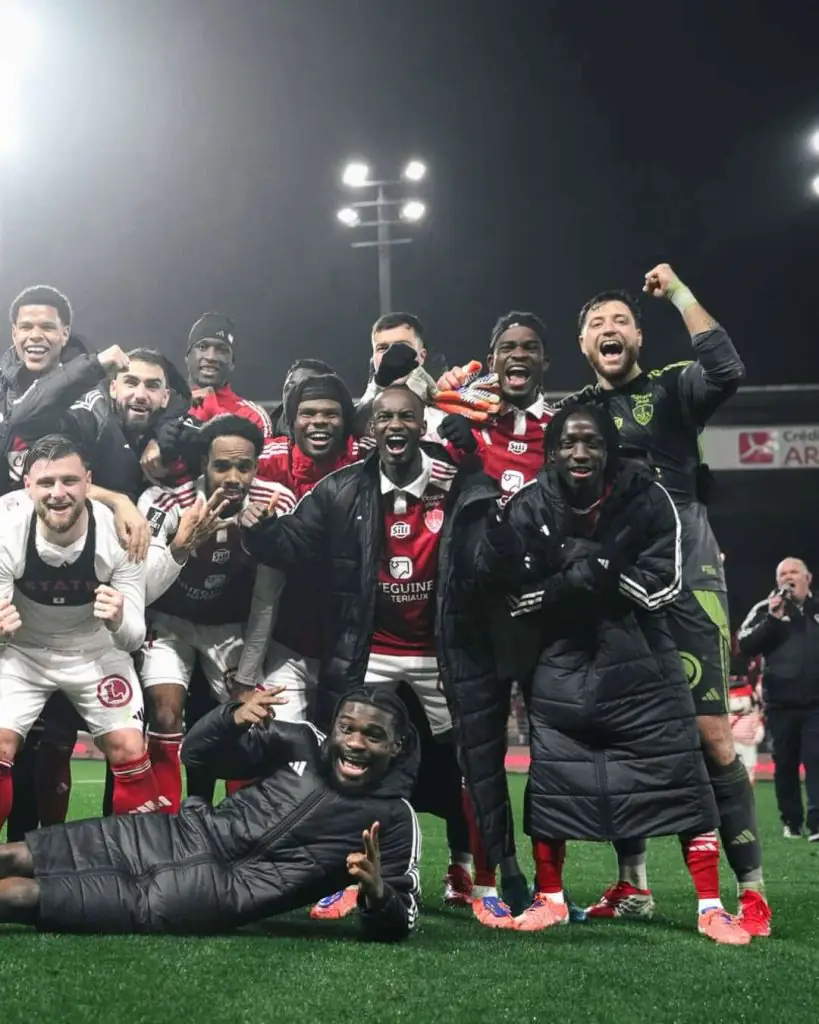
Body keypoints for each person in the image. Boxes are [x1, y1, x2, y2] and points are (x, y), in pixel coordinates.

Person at [477, 404, 752, 943]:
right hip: (560, 664)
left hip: (643, 662)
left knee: (682, 778)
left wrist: (592, 573)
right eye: (569, 443)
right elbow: (515, 593)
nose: (580, 453)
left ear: (609, 450)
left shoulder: (648, 497)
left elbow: (664, 586)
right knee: (553, 783)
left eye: (592, 442)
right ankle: (550, 899)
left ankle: (711, 906)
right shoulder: (530, 503)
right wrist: (586, 570)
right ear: (552, 451)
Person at [562, 264, 769, 936]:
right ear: (583, 345)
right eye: (597, 324)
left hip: (687, 581)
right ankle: (635, 885)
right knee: (624, 739)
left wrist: (678, 293)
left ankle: (752, 892)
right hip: (615, 591)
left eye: (621, 321)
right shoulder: (574, 414)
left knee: (712, 738)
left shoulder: (673, 386)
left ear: (638, 339)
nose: (609, 329)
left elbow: (728, 368)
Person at [243, 384, 501, 918]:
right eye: (385, 418)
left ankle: (482, 883)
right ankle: (342, 876)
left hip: (441, 653)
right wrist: (262, 533)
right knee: (351, 762)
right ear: (371, 430)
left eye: (407, 417)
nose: (395, 426)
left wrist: (476, 466)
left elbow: (493, 539)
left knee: (471, 765)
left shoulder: (454, 482)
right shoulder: (340, 489)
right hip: (372, 650)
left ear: (422, 425)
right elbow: (293, 544)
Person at [0, 687, 421, 940]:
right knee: (15, 854)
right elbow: (197, 756)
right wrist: (231, 720)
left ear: (397, 745)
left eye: (373, 736)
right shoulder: (302, 742)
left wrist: (378, 893)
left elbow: (400, 920)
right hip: (172, 834)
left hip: (202, 896)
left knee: (22, 896)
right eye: (347, 729)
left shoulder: (395, 818)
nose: (355, 743)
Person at [433, 311, 552, 917]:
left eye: (529, 347)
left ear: (544, 361)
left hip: (539, 613)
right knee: (479, 755)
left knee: (553, 753)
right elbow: (395, 432)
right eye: (507, 347)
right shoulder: (465, 420)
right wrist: (438, 400)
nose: (518, 355)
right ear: (493, 357)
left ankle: (552, 887)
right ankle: (492, 878)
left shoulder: (563, 430)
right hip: (471, 614)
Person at [0, 435, 169, 826]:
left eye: (70, 481)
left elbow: (132, 638)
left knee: (129, 747)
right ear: (28, 486)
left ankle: (133, 855)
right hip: (24, 653)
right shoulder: (6, 528)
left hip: (96, 651)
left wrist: (118, 619)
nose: (58, 493)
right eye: (46, 483)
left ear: (88, 482)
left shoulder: (121, 532)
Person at [138, 416, 294, 811]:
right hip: (171, 623)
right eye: (222, 466)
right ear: (203, 463)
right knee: (165, 712)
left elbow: (267, 599)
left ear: (257, 465)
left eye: (244, 466)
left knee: (248, 714)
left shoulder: (275, 503)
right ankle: (166, 824)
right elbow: (143, 588)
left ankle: (239, 825)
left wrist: (246, 678)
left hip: (229, 628)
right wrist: (181, 545)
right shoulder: (164, 501)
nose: (234, 478)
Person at [252, 373, 360, 720]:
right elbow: (218, 459)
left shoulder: (368, 461)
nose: (319, 421)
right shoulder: (267, 459)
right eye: (308, 413)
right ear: (292, 420)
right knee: (279, 739)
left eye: (331, 414)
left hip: (350, 642)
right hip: (287, 639)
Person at [138, 313, 274, 484]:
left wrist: (214, 415)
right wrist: (152, 442)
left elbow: (264, 475)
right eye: (202, 347)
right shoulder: (160, 401)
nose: (211, 357)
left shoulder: (253, 416)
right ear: (187, 356)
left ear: (232, 362)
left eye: (222, 350)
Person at [737, 558, 819, 841]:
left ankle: (817, 823)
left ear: (808, 578)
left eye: (794, 572)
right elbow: (745, 644)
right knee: (785, 764)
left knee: (817, 759)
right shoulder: (765, 609)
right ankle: (792, 821)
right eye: (783, 573)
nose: (788, 577)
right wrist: (772, 619)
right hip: (780, 703)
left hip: (816, 703)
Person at [355, 313, 444, 439]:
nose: (392, 355)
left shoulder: (444, 413)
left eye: (402, 347)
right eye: (382, 348)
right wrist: (381, 384)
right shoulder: (355, 415)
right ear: (373, 359)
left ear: (422, 356)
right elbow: (351, 429)